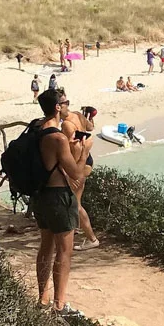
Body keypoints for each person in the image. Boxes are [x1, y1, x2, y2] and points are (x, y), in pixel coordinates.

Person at [31, 88, 87, 311]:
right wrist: (82, 150)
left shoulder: (36, 129)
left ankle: (43, 299)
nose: (68, 107)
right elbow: (76, 173)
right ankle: (59, 304)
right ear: (57, 107)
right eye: (66, 103)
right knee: (64, 251)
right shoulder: (57, 138)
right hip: (58, 196)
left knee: (46, 245)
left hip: (40, 194)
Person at [65, 105, 100, 248]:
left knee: (76, 204)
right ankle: (75, 228)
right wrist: (89, 117)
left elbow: (74, 149)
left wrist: (69, 174)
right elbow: (90, 128)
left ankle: (92, 239)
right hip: (87, 160)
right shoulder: (78, 115)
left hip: (79, 161)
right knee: (75, 201)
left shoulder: (67, 125)